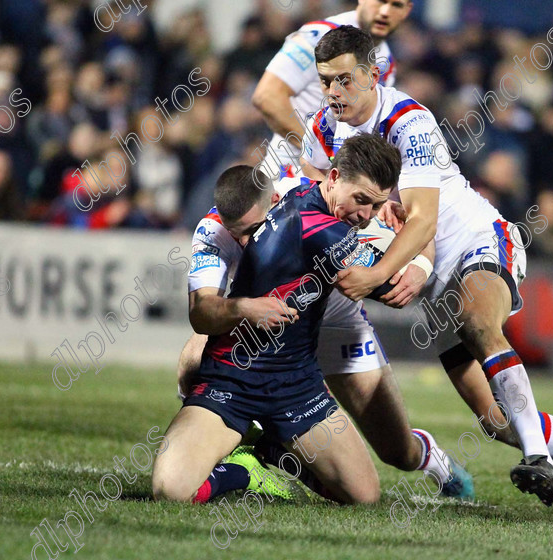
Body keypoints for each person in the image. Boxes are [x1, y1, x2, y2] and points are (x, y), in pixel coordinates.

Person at [301, 25, 553, 511]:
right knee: (494, 419)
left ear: (371, 73)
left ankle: (538, 457)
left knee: (478, 321)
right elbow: (314, 201)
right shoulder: (321, 130)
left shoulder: (408, 121)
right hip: (431, 281)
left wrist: (379, 273)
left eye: (343, 80)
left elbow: (423, 220)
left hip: (478, 242)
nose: (334, 92)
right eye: (325, 81)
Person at [175, 0, 472, 501]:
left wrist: (415, 266)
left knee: (392, 453)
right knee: (193, 362)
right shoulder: (314, 58)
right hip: (281, 263)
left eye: (401, 4)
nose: (335, 92)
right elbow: (268, 98)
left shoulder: (376, 182)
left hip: (336, 308)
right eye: (327, 82)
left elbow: (407, 229)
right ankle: (257, 455)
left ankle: (428, 458)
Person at [153, 134, 466, 505]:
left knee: (365, 496)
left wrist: (390, 217)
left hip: (298, 383)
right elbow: (392, 289)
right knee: (169, 490)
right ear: (333, 179)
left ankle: (273, 451)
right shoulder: (244, 228)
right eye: (361, 200)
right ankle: (238, 471)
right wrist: (420, 243)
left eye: (374, 203)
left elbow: (368, 254)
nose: (365, 213)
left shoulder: (306, 200)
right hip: (234, 379)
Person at [252, 0, 409, 182]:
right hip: (286, 178)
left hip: (340, 186)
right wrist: (323, 156)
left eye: (396, 5)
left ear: (407, 10)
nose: (385, 12)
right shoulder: (318, 35)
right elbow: (267, 96)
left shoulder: (387, 62)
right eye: (380, 1)